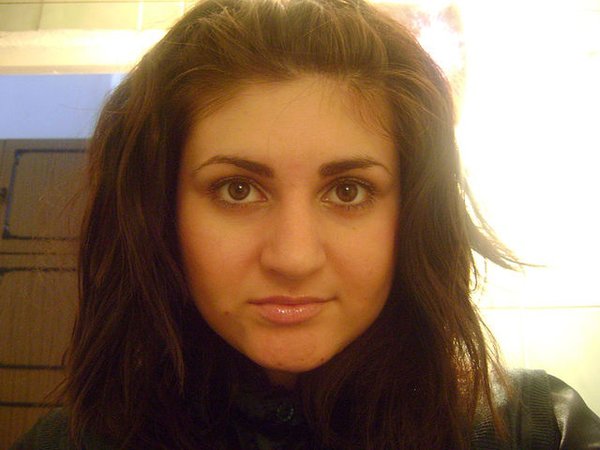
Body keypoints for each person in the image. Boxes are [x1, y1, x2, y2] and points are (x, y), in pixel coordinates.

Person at [11, 0, 600, 448]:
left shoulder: (536, 428)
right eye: (237, 189)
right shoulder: (72, 442)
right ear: (161, 212)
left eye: (348, 191)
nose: (293, 258)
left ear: (414, 215)